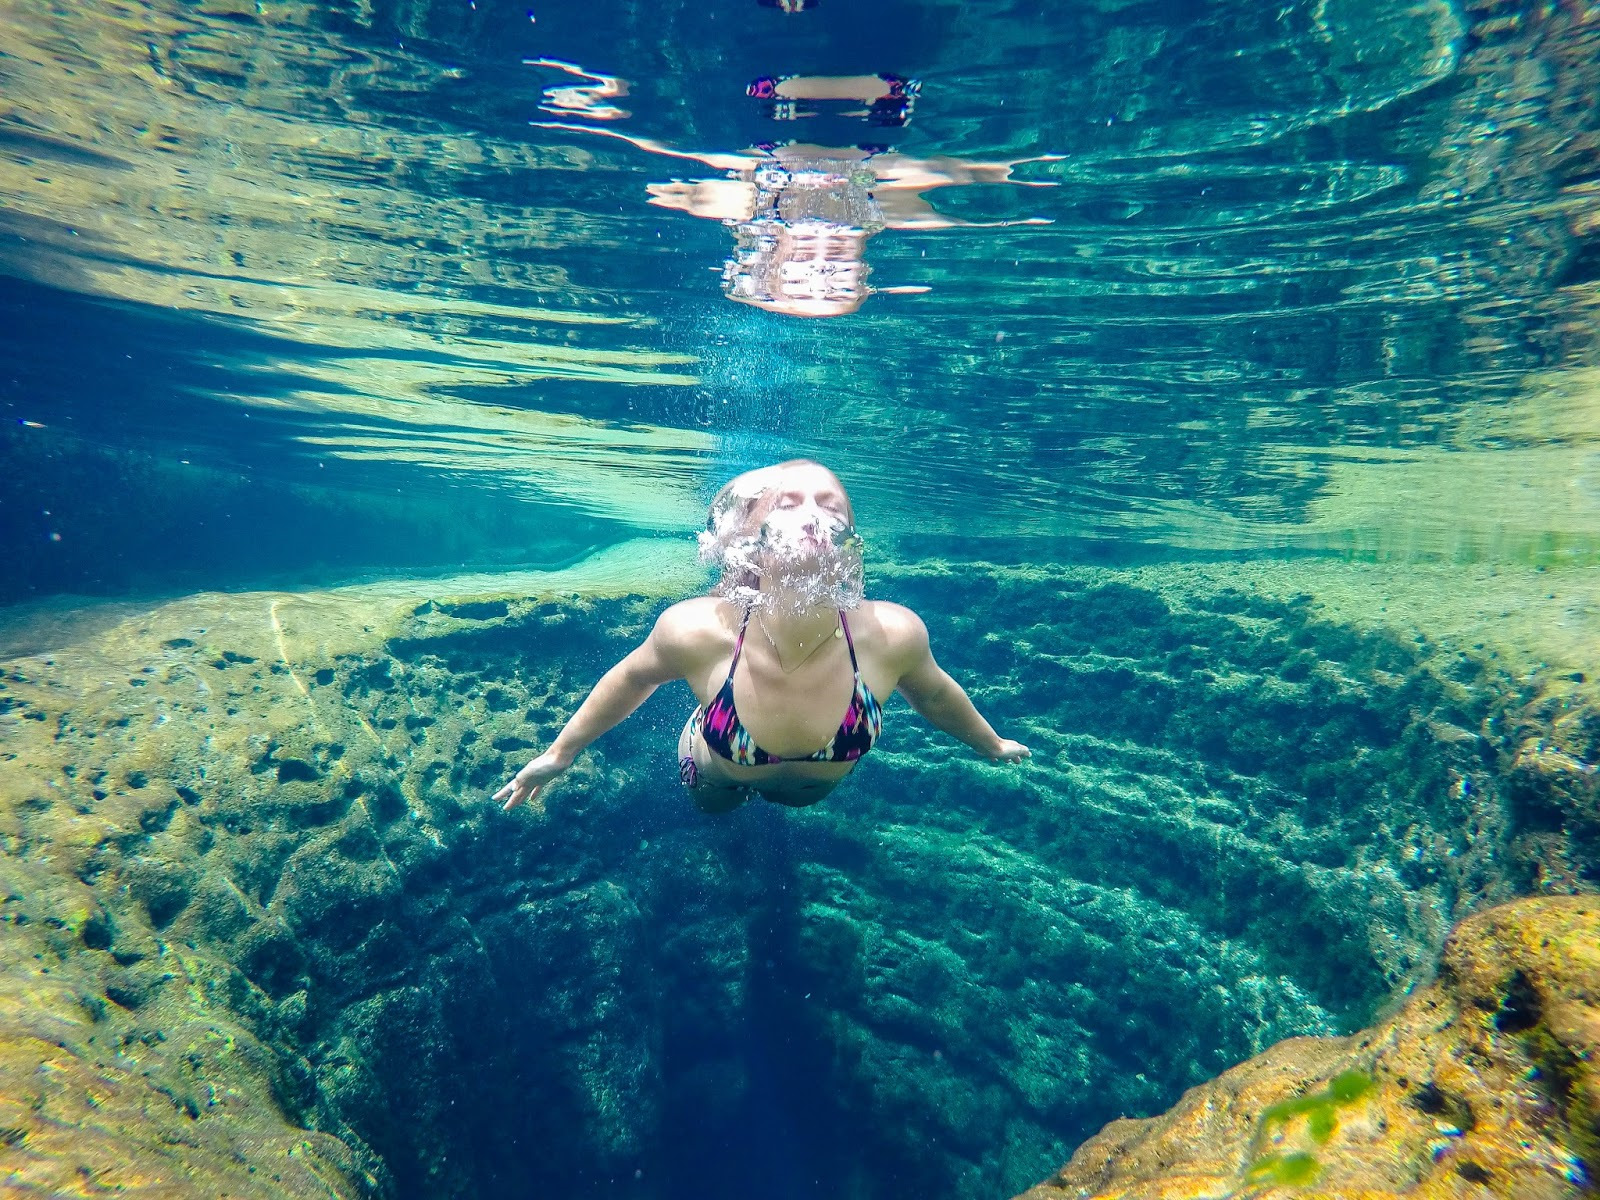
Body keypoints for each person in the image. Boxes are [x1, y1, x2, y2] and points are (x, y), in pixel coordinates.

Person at [494, 460, 1030, 813]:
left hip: (811, 792)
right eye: (789, 503)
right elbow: (632, 677)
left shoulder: (893, 633)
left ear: (850, 541)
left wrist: (990, 744)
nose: (813, 516)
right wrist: (561, 753)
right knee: (715, 814)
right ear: (747, 538)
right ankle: (705, 724)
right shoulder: (698, 628)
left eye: (830, 503)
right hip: (719, 771)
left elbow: (933, 692)